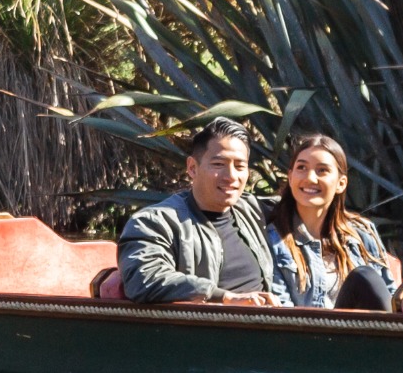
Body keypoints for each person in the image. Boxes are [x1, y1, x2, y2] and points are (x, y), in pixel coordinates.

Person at [117, 118, 282, 304]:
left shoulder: (251, 210)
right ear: (192, 168)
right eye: (219, 164)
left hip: (267, 323)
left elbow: (304, 208)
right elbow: (144, 277)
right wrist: (224, 297)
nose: (231, 176)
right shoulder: (153, 222)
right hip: (203, 328)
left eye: (239, 166)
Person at [264, 132, 397, 311]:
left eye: (322, 170)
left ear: (341, 183)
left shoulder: (362, 233)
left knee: (366, 277)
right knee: (363, 276)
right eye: (301, 168)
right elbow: (280, 310)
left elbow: (391, 297)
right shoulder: (273, 239)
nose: (310, 178)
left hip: (365, 333)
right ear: (290, 177)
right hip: (304, 334)